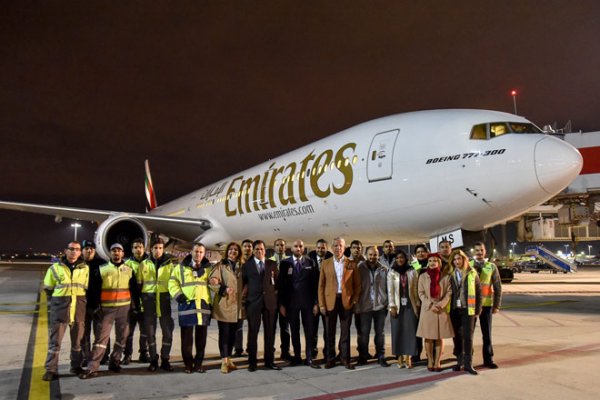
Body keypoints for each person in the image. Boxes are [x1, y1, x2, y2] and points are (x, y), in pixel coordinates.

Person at [80, 243, 138, 379]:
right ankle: (93, 366)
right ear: (110, 253)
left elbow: (134, 291)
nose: (116, 253)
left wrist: (136, 308)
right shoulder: (102, 269)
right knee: (101, 339)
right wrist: (96, 306)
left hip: (124, 309)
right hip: (106, 310)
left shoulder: (129, 270)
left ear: (123, 253)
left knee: (122, 337)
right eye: (114, 250)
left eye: (119, 250)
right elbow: (95, 290)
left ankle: (115, 361)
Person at [42, 241, 89, 380]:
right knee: (55, 342)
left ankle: (76, 366)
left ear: (80, 252)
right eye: (71, 249)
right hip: (60, 309)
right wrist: (58, 302)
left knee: (77, 342)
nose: (74, 251)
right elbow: (48, 288)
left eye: (77, 249)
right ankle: (51, 369)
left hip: (78, 308)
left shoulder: (85, 268)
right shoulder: (55, 268)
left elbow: (85, 288)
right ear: (66, 251)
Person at [169, 243, 212, 373]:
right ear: (191, 252)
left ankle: (198, 364)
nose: (198, 254)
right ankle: (188, 364)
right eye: (196, 251)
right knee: (186, 339)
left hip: (203, 306)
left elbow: (214, 283)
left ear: (204, 254)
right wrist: (178, 295)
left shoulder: (208, 268)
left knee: (201, 339)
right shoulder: (180, 268)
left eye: (201, 252)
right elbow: (172, 282)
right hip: (187, 305)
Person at [318, 237, 361, 370]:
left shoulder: (351, 263)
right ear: (332, 248)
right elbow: (321, 286)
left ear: (344, 248)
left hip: (346, 302)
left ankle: (345, 359)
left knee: (345, 332)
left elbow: (357, 285)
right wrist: (321, 304)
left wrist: (354, 300)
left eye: (341, 246)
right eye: (336, 246)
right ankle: (330, 359)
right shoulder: (325, 263)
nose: (338, 248)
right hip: (330, 302)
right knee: (329, 332)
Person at [277, 240, 321, 368]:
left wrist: (316, 303)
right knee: (294, 331)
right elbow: (281, 285)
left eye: (300, 246)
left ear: (303, 248)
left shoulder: (310, 262)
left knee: (309, 331)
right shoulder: (285, 263)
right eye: (295, 246)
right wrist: (282, 304)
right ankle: (297, 357)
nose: (298, 248)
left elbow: (315, 285)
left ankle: (309, 358)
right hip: (291, 304)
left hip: (307, 303)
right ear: (291, 248)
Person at [137, 238, 177, 372]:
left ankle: (165, 359)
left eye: (160, 248)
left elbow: (173, 283)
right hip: (148, 302)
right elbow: (139, 285)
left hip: (164, 301)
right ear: (151, 249)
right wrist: (139, 304)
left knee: (167, 332)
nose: (158, 250)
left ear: (163, 249)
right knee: (150, 334)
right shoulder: (143, 264)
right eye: (156, 248)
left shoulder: (169, 265)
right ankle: (153, 360)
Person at [242, 240, 281, 371]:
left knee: (270, 333)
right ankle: (252, 362)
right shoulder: (247, 265)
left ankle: (269, 361)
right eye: (257, 249)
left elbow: (277, 283)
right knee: (253, 333)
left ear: (265, 250)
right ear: (253, 251)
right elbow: (244, 284)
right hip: (254, 303)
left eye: (262, 249)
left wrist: (275, 299)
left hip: (269, 304)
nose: (260, 251)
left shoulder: (271, 264)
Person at [209, 242, 244, 373]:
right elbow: (212, 282)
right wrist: (224, 289)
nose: (233, 251)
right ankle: (224, 361)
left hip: (237, 307)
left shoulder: (242, 266)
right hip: (224, 305)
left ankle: (229, 359)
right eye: (231, 249)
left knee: (233, 335)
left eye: (235, 250)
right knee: (224, 334)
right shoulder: (220, 266)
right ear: (227, 251)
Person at [416, 254, 453, 372]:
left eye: (435, 261)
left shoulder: (445, 277)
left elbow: (449, 292)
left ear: (439, 263)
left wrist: (440, 305)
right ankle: (430, 361)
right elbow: (421, 293)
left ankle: (437, 361)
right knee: (428, 337)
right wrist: (430, 305)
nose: (432, 263)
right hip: (428, 309)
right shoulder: (423, 276)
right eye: (430, 260)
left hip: (440, 309)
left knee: (439, 337)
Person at [449, 249, 482, 375]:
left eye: (459, 259)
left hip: (468, 309)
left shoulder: (472, 272)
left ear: (464, 259)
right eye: (454, 259)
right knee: (456, 336)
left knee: (468, 337)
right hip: (454, 309)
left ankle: (468, 363)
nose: (457, 261)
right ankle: (459, 361)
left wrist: (477, 309)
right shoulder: (451, 273)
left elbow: (478, 292)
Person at [355, 246, 389, 367]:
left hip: (380, 306)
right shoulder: (360, 268)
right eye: (370, 254)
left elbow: (388, 287)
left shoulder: (384, 269)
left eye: (375, 255)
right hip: (365, 306)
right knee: (364, 334)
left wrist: (387, 303)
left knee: (380, 333)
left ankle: (381, 356)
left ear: (378, 256)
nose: (372, 257)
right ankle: (363, 356)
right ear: (366, 255)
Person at [471, 242, 502, 369]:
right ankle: (468, 359)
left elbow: (498, 287)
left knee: (487, 334)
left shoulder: (491, 266)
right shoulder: (468, 265)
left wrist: (497, 305)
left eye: (481, 250)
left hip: (486, 305)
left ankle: (488, 359)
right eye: (477, 250)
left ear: (485, 251)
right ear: (474, 252)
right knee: (469, 335)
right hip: (471, 305)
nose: (479, 252)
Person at [388, 250, 420, 369]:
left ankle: (408, 358)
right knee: (398, 331)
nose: (399, 260)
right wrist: (392, 306)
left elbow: (415, 288)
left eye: (401, 257)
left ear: (405, 259)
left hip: (410, 305)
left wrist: (417, 304)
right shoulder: (392, 272)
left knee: (410, 332)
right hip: (397, 306)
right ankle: (400, 357)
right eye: (397, 258)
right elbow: (390, 290)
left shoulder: (412, 271)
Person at [80, 239, 109, 368]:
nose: (89, 250)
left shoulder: (102, 264)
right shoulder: (78, 264)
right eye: (86, 248)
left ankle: (103, 356)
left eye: (91, 248)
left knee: (101, 334)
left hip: (98, 306)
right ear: (82, 251)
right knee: (83, 334)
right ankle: (85, 357)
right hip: (82, 306)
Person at [122, 238, 149, 364]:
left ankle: (143, 353)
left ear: (144, 248)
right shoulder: (126, 264)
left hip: (146, 303)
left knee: (145, 331)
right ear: (132, 250)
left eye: (140, 247)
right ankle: (127, 354)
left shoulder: (150, 263)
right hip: (131, 304)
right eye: (135, 247)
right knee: (129, 332)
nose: (138, 250)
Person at [308, 238, 333, 359]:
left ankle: (328, 354)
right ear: (315, 248)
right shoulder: (309, 259)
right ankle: (312, 353)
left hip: (327, 301)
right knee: (312, 330)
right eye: (318, 247)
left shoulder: (331, 260)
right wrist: (315, 302)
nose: (320, 250)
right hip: (313, 301)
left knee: (328, 330)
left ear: (326, 248)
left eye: (323, 248)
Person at [269, 238, 292, 361]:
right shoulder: (269, 262)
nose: (280, 247)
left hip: (285, 300)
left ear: (285, 247)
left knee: (285, 327)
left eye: (282, 245)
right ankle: (270, 351)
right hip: (272, 300)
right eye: (277, 245)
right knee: (271, 327)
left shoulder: (289, 261)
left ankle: (285, 351)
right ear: (274, 247)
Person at [233, 238, 253, 357]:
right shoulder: (237, 263)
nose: (247, 248)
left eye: (249, 246)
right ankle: (238, 349)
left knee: (252, 326)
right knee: (238, 325)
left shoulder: (256, 262)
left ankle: (250, 348)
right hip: (240, 298)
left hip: (253, 298)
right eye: (245, 246)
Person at [410, 243, 429, 362]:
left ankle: (430, 354)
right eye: (418, 252)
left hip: (429, 301)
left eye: (423, 251)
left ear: (427, 253)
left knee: (429, 329)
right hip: (417, 301)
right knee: (416, 329)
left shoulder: (431, 264)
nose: (421, 254)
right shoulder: (412, 266)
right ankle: (417, 353)